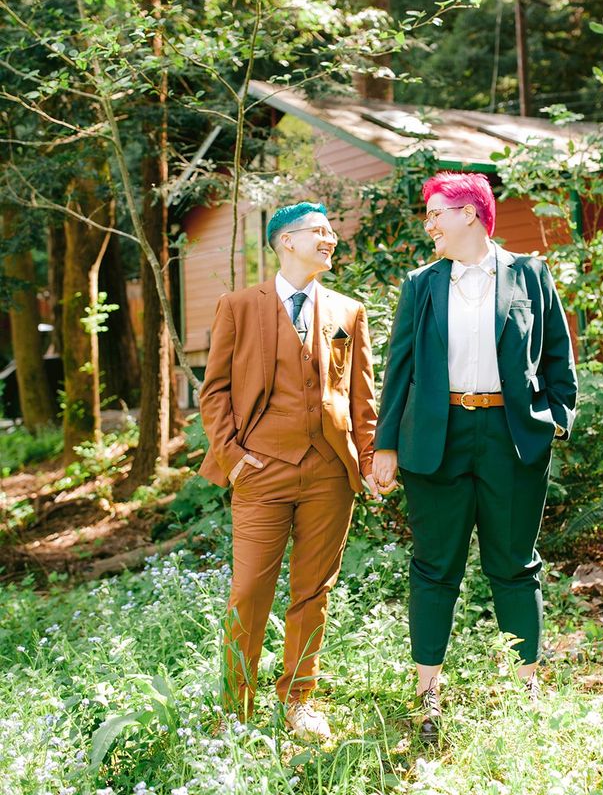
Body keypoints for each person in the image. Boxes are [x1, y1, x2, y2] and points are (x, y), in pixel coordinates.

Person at [372, 172, 577, 742]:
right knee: (435, 566)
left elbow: (559, 353)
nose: (428, 224)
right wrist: (385, 443)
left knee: (514, 563)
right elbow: (401, 368)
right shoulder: (422, 283)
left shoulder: (530, 274)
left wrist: (557, 418)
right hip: (436, 438)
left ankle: (525, 689)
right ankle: (427, 695)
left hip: (511, 437)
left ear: (470, 214)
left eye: (436, 213)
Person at [199, 201, 379, 740]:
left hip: (329, 471)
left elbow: (363, 399)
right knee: (250, 589)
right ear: (285, 242)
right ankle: (236, 707)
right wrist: (234, 460)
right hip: (261, 471)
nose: (330, 240)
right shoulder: (238, 305)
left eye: (331, 233)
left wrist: (368, 460)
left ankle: (299, 700)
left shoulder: (348, 312)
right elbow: (215, 393)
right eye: (319, 233)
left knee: (313, 591)